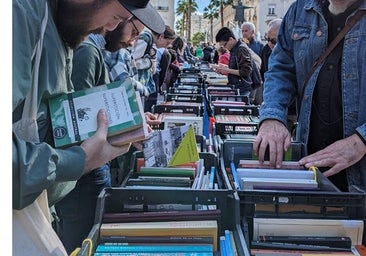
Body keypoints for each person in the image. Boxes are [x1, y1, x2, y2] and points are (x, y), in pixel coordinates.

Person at [13, 0, 165, 254]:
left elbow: (56, 121)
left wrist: (121, 129)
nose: (108, 28)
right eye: (116, 17)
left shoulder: (62, 29)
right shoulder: (22, 16)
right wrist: (80, 160)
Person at [253, 0, 366, 192]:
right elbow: (281, 69)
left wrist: (361, 140)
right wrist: (272, 117)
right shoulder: (300, 10)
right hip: (310, 165)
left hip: (360, 173)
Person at [145, 25, 176, 112]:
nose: (167, 46)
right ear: (161, 36)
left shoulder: (154, 47)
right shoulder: (162, 51)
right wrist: (159, 86)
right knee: (150, 104)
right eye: (167, 43)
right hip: (153, 77)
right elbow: (163, 72)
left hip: (151, 77)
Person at [214, 27, 252, 97]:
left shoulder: (241, 49)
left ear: (231, 39)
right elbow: (237, 67)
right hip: (237, 87)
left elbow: (246, 71)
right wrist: (224, 68)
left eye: (224, 45)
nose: (224, 48)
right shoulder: (234, 49)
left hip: (242, 89)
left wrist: (227, 70)